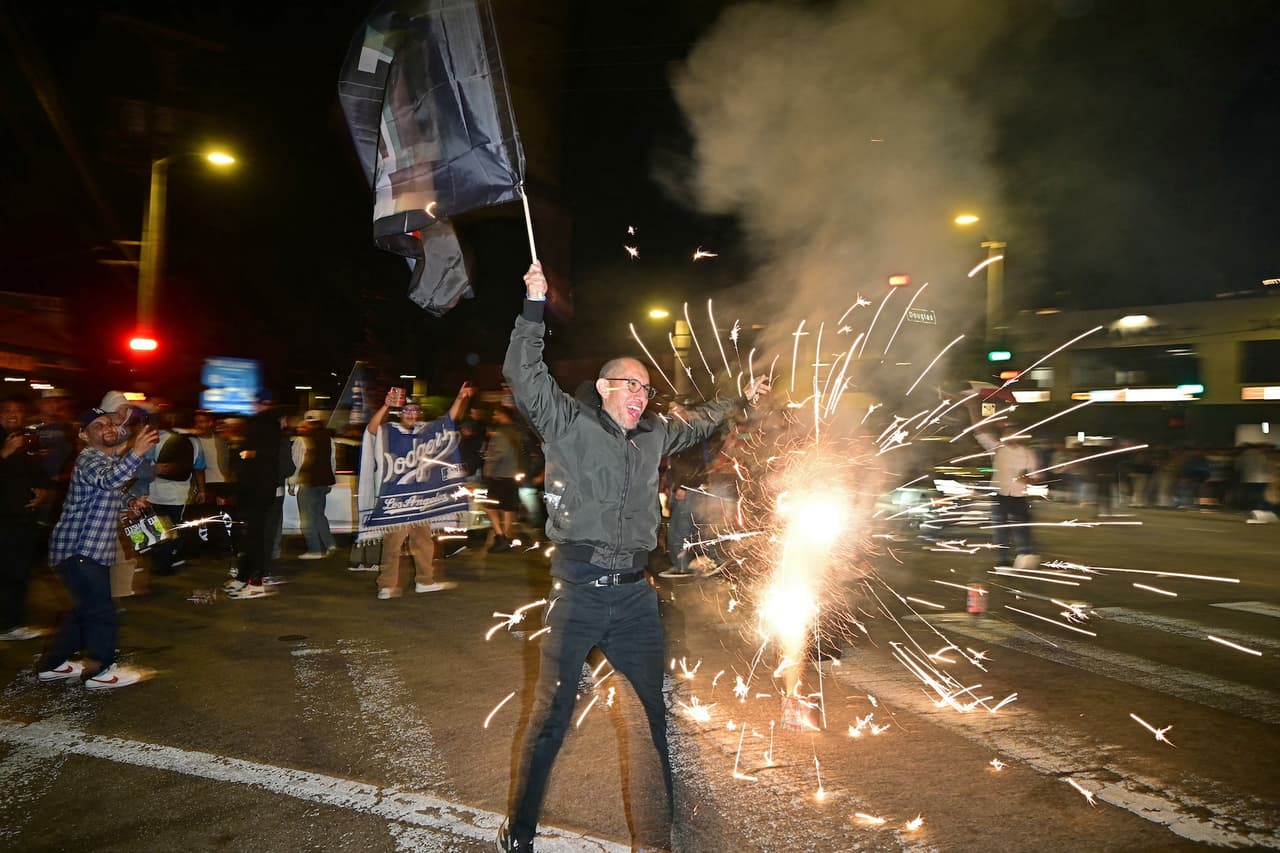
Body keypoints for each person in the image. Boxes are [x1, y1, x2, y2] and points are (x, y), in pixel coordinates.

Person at [496, 261, 771, 853]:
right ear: (603, 388)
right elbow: (523, 372)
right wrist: (533, 307)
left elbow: (698, 421)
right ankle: (518, 833)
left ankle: (665, 836)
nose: (640, 394)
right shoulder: (567, 422)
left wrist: (740, 399)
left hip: (637, 599)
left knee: (658, 719)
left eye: (646, 387)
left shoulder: (652, 434)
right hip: (580, 592)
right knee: (552, 720)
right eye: (629, 384)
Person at [37, 406, 158, 688]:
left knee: (82, 610)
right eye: (98, 426)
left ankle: (52, 665)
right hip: (80, 550)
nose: (108, 429)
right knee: (100, 610)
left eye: (109, 424)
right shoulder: (88, 458)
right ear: (83, 435)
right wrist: (136, 452)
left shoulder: (103, 461)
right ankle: (100, 672)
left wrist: (131, 503)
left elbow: (108, 493)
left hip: (86, 552)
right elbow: (107, 481)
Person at [362, 385, 473, 598]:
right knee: (392, 545)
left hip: (421, 499)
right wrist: (386, 405)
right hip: (397, 500)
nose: (412, 414)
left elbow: (448, 420)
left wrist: (459, 398)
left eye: (415, 411)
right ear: (400, 413)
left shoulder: (426, 431)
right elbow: (372, 429)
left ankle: (425, 580)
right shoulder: (391, 431)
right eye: (407, 411)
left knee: (424, 543)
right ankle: (386, 585)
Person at [228, 392, 290, 599]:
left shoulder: (263, 425)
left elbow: (252, 456)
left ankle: (254, 581)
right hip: (260, 490)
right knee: (254, 536)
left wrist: (245, 454)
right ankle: (245, 578)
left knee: (256, 536)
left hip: (256, 489)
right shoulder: (268, 427)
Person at [0, 396, 50, 640]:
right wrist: (4, 453)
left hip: (23, 517)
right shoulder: (7, 443)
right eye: (7, 410)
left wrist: (42, 491)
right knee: (5, 573)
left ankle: (14, 623)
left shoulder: (28, 439)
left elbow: (39, 472)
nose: (13, 414)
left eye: (18, 411)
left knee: (20, 571)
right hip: (3, 519)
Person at [969, 405, 1039, 569]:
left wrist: (1026, 479)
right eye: (1006, 433)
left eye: (1012, 433)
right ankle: (1003, 558)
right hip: (999, 495)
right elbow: (979, 431)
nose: (1008, 435)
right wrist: (971, 407)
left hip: (1018, 496)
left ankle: (1026, 556)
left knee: (1022, 529)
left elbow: (1036, 477)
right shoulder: (997, 449)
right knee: (1001, 528)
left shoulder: (1028, 453)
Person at [145, 412, 206, 575]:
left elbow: (146, 464)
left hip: (155, 493)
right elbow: (199, 469)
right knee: (175, 528)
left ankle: (160, 561)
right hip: (179, 495)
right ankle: (169, 559)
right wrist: (201, 490)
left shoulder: (157, 438)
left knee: (158, 530)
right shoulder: (195, 442)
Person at [290, 410, 337, 559]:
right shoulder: (329, 438)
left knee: (307, 518)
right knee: (319, 515)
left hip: (308, 482)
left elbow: (297, 463)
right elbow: (333, 461)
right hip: (324, 483)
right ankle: (330, 544)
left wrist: (292, 483)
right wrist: (330, 480)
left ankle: (314, 550)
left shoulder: (302, 439)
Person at [482, 405, 523, 553]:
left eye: (496, 413)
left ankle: (500, 536)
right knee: (508, 507)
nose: (494, 416)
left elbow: (497, 454)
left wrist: (488, 468)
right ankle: (506, 536)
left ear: (503, 415)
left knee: (489, 506)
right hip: (512, 475)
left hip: (499, 476)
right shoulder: (516, 432)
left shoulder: (500, 434)